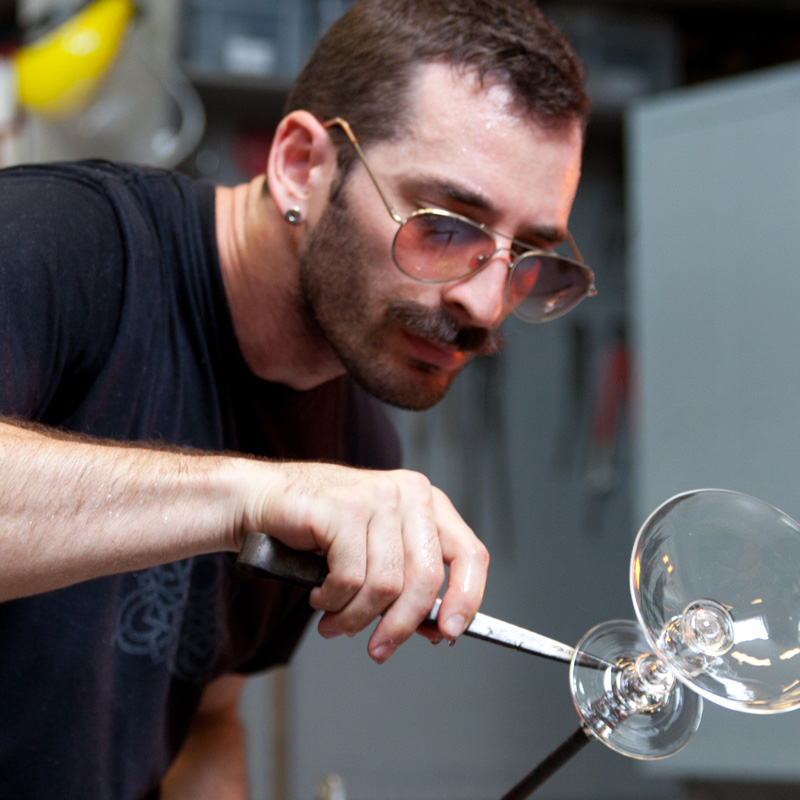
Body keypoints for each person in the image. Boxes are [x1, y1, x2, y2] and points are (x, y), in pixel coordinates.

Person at [0, 0, 593, 797]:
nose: (486, 307)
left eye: (526, 257)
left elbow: (205, 719)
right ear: (302, 166)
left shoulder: (355, 448)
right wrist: (260, 493)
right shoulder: (63, 242)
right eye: (446, 224)